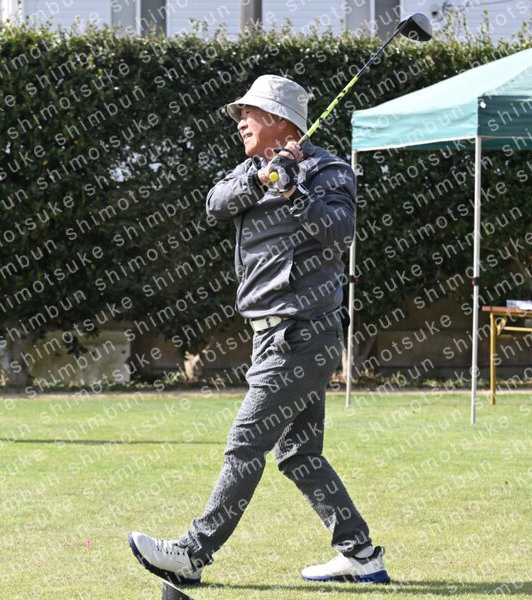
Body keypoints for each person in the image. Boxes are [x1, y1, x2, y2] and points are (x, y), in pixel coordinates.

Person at [128, 75, 387, 584]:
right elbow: (215, 203)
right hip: (271, 332)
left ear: (280, 120)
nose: (241, 122)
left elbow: (340, 233)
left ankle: (192, 555)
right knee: (299, 453)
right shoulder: (250, 171)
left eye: (250, 113)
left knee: (245, 446)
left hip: (301, 332)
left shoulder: (328, 170)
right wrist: (266, 178)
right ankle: (361, 554)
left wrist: (294, 190)